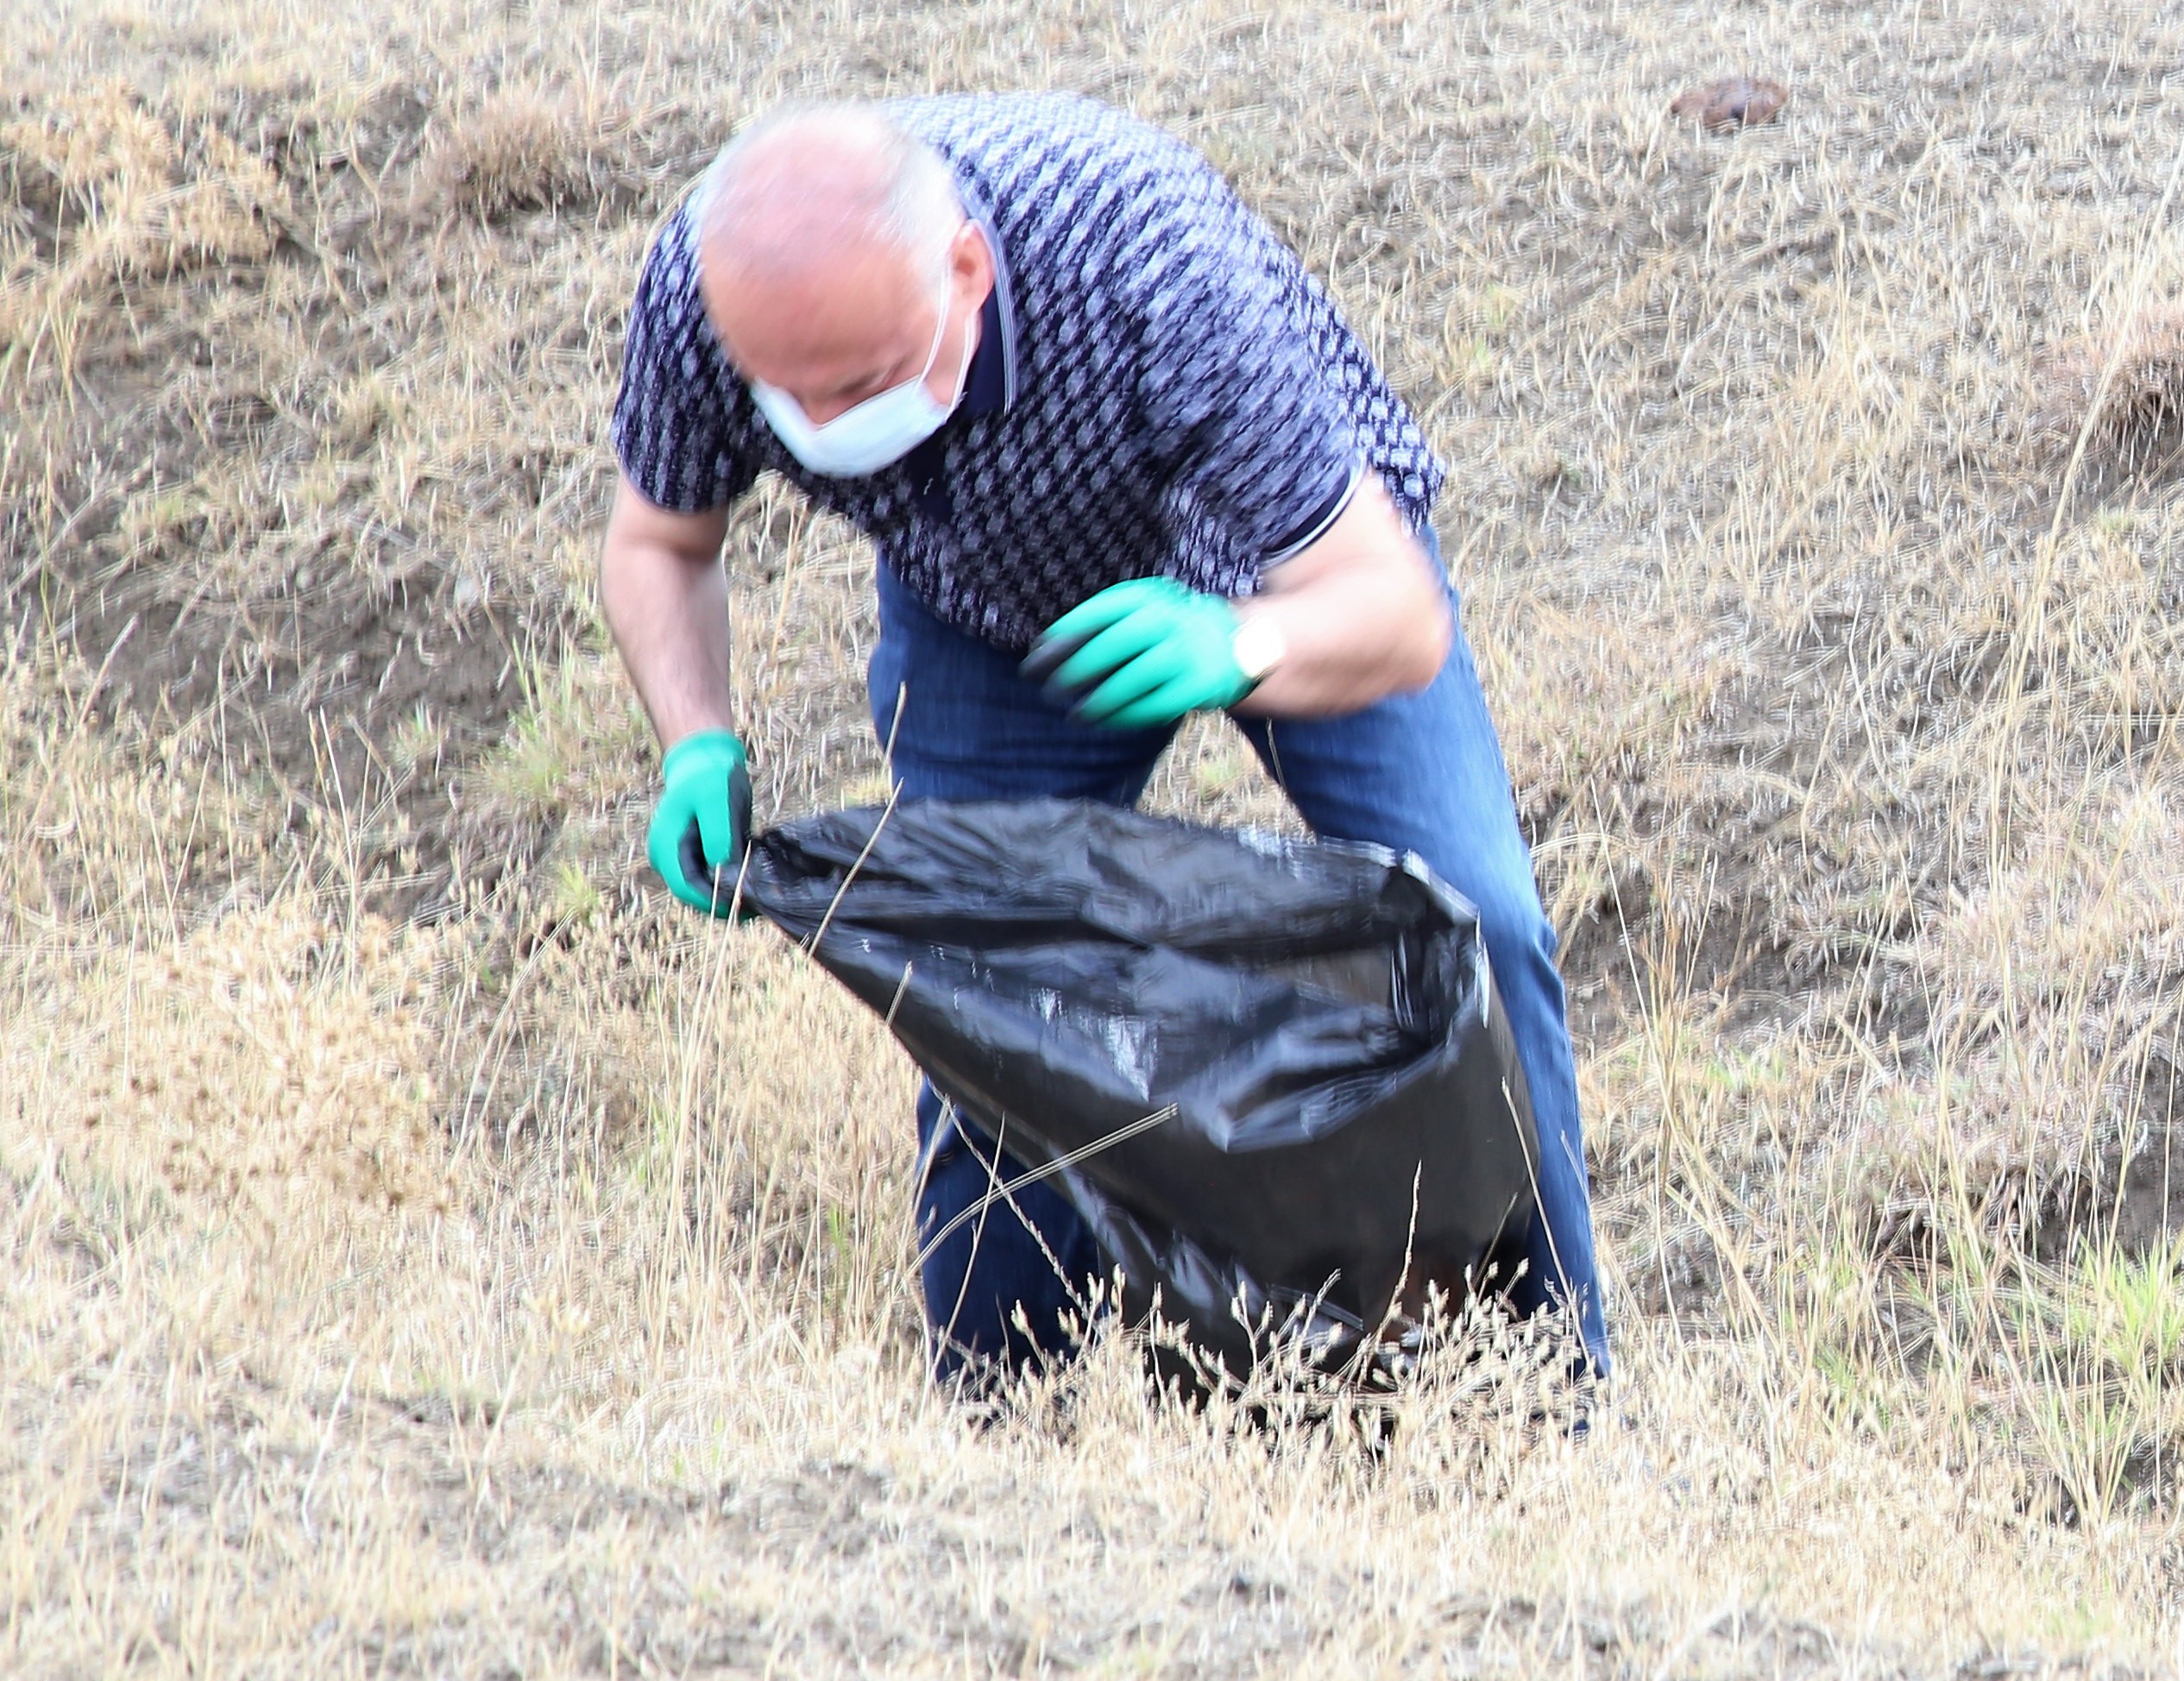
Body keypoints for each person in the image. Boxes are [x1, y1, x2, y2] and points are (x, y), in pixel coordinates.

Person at [595, 93, 1603, 1392]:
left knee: (1483, 928)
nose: (822, 423)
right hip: (994, 617)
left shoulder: (1152, 270)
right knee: (983, 982)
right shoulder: (706, 293)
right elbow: (659, 541)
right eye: (784, 394)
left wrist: (1238, 642)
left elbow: (1395, 616)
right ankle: (1003, 1422)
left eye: (860, 382)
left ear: (967, 271)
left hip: (1279, 574)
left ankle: (1551, 1390)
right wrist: (695, 741)